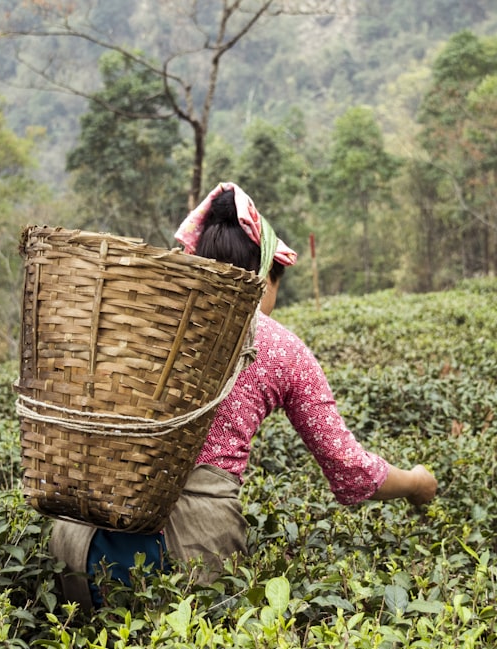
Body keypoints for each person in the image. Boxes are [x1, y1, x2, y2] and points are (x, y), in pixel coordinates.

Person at [49, 183, 437, 608]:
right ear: (262, 278)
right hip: (186, 551)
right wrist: (417, 483)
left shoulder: (143, 316)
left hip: (77, 544)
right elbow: (351, 473)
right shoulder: (279, 347)